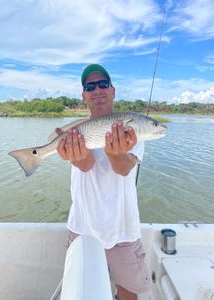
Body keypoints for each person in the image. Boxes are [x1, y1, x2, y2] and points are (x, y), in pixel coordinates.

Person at [56, 64, 151, 300]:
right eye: (90, 86)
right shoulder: (76, 132)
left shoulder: (132, 128)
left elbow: (123, 168)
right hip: (82, 226)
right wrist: (76, 156)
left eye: (103, 84)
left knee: (129, 294)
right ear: (84, 96)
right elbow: (85, 165)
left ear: (113, 90)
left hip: (123, 229)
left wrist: (115, 152)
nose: (97, 89)